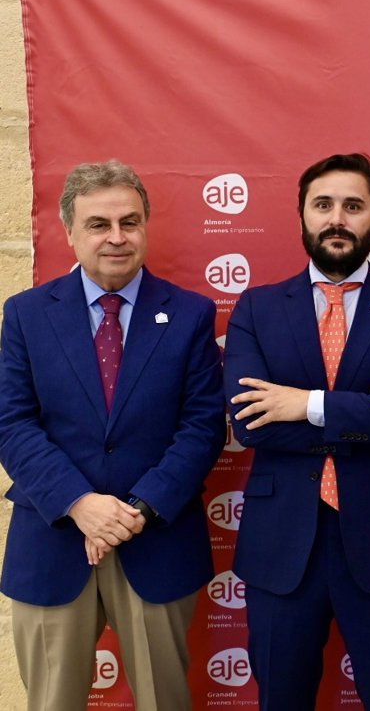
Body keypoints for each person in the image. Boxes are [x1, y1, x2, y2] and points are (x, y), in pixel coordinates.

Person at [224, 152, 370, 709]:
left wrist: (304, 404)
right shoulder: (256, 308)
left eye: (353, 206)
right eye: (323, 205)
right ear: (302, 214)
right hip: (281, 546)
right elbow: (252, 424)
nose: (337, 219)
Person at [0, 160, 225, 710]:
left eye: (130, 222)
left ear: (145, 226)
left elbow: (201, 427)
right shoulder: (26, 314)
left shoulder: (191, 314)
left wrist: (135, 512)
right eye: (99, 224)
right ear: (69, 232)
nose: (117, 237)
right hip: (53, 542)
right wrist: (79, 504)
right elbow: (12, 422)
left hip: (156, 540)